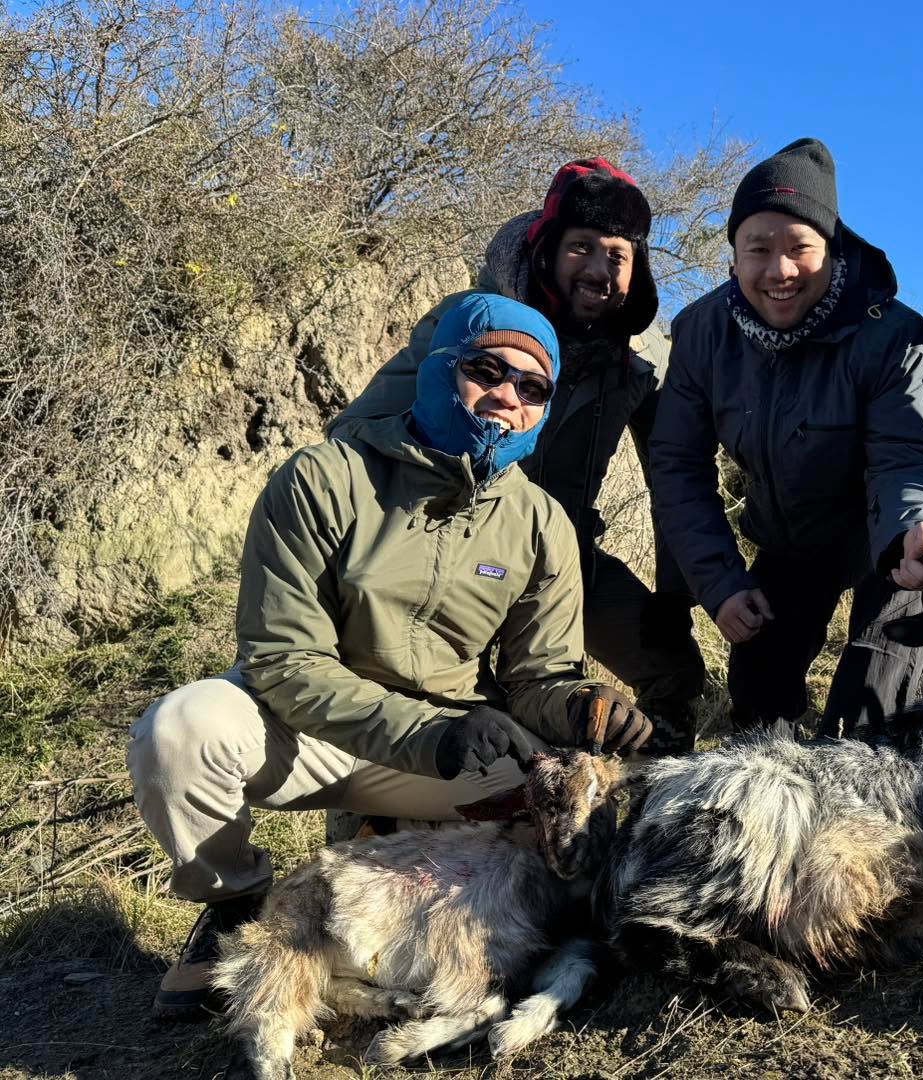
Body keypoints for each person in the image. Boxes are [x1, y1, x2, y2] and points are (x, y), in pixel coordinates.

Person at [128, 294, 652, 1020]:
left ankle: (478, 917)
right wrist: (430, 734)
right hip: (307, 733)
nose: (507, 396)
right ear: (440, 370)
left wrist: (581, 706)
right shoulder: (324, 476)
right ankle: (232, 906)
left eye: (533, 388)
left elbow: (539, 674)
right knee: (180, 732)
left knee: (588, 792)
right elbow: (284, 660)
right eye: (487, 369)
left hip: (448, 752)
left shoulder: (540, 521)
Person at [332, 158, 705, 756]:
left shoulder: (627, 375)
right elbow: (356, 433)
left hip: (566, 557)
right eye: (582, 246)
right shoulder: (468, 326)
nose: (600, 268)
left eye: (618, 255)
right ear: (548, 251)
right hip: (445, 544)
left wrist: (673, 596)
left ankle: (639, 812)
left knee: (675, 670)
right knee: (469, 701)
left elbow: (676, 479)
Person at [650, 137, 923, 740]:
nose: (779, 271)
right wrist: (723, 584)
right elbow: (677, 465)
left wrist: (908, 536)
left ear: (833, 250)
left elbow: (900, 458)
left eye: (800, 248)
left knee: (863, 721)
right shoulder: (701, 333)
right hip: (787, 541)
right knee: (758, 706)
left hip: (880, 544)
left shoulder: (891, 334)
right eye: (758, 248)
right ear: (733, 253)